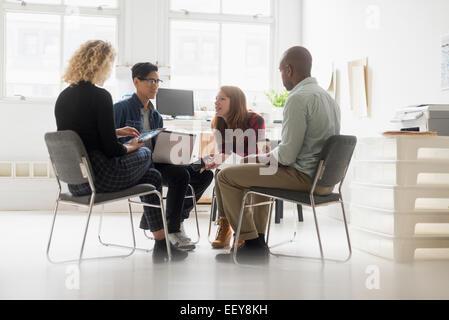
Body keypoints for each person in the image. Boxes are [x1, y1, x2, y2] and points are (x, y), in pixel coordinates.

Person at [54, 40, 188, 263]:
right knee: (145, 153)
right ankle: (163, 240)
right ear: (101, 64)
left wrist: (114, 131)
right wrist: (131, 146)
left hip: (77, 181)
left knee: (153, 176)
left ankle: (162, 244)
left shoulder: (64, 97)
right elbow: (111, 150)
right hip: (102, 177)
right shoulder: (100, 96)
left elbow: (82, 137)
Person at [214, 46, 341, 264]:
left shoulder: (298, 98)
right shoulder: (328, 99)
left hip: (304, 177)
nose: (281, 76)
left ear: (289, 69)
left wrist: (255, 159)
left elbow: (287, 156)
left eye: (281, 71)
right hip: (325, 181)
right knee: (263, 173)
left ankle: (250, 242)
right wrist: (259, 161)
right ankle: (259, 239)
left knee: (225, 176)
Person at [114, 62, 213, 251]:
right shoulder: (120, 108)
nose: (156, 85)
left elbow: (158, 146)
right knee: (180, 175)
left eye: (158, 81)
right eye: (151, 80)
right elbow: (109, 141)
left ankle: (172, 219)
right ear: (136, 81)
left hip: (157, 162)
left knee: (204, 173)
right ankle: (173, 229)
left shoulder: (156, 114)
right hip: (137, 165)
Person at [202, 86, 266, 249]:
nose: (216, 102)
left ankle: (239, 229)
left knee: (224, 172)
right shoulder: (217, 123)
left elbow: (254, 153)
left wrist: (227, 157)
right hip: (231, 167)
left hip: (252, 165)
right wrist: (217, 159)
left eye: (222, 99)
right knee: (220, 171)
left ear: (236, 102)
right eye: (216, 99)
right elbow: (224, 153)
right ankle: (225, 225)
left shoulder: (255, 120)